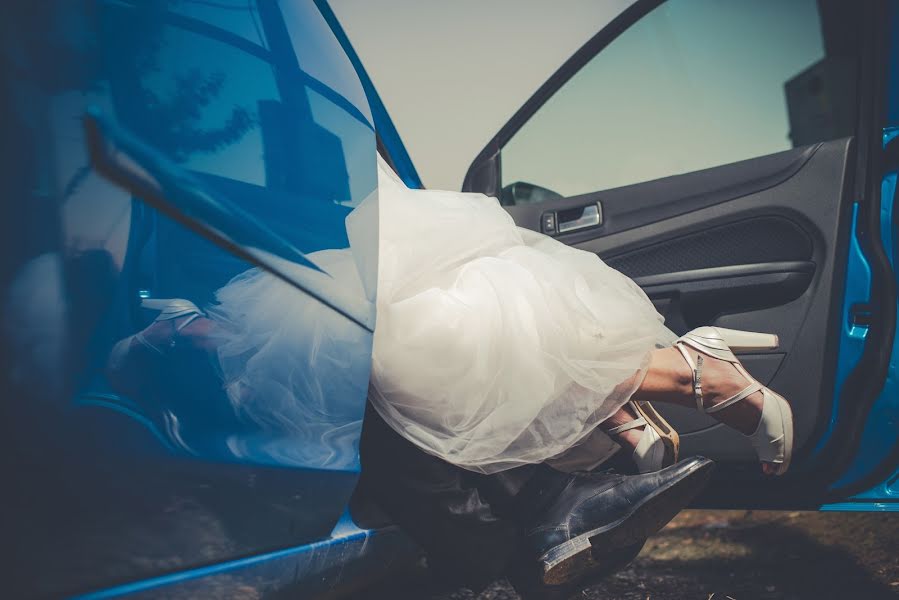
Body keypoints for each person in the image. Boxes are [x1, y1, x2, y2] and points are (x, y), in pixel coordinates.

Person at [105, 154, 792, 596]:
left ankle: (645, 403)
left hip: (284, 251)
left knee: (398, 342)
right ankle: (564, 496)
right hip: (255, 266)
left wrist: (182, 339)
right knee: (390, 359)